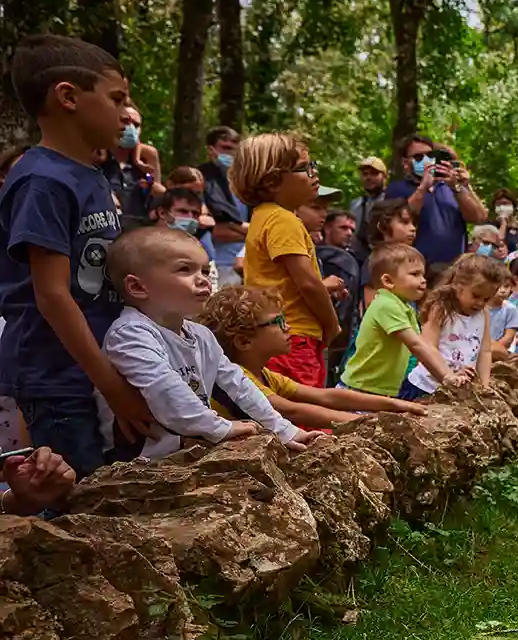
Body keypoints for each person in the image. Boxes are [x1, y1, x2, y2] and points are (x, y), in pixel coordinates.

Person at [0, 35, 154, 475]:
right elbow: (52, 296)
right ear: (67, 96)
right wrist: (110, 383)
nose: (127, 113)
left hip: (92, 370)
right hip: (56, 378)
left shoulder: (89, 175)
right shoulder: (42, 181)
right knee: (72, 500)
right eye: (117, 98)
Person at [100, 226, 313, 459]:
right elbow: (164, 388)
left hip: (186, 454)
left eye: (203, 269)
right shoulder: (130, 333)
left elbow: (238, 386)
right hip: (137, 463)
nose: (203, 280)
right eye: (185, 269)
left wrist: (285, 431)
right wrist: (219, 428)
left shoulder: (200, 334)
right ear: (138, 287)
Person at [199, 285, 425, 429]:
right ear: (244, 341)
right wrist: (371, 423)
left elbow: (326, 396)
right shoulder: (239, 377)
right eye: (277, 322)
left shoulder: (264, 374)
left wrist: (396, 406)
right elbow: (290, 410)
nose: (288, 327)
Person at [234, 133, 340, 387]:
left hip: (274, 333)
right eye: (304, 168)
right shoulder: (283, 220)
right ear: (272, 181)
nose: (315, 174)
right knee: (307, 416)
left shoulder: (262, 217)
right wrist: (332, 325)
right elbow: (309, 284)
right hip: (295, 338)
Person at [342, 243, 467, 397]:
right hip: (360, 390)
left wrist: (450, 370)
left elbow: (423, 345)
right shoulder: (386, 305)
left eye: (423, 274)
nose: (423, 280)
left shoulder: (404, 307)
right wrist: (447, 377)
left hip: (380, 391)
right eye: (415, 274)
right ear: (388, 281)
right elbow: (416, 345)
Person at [407, 253, 505, 399]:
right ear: (458, 286)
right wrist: (449, 375)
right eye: (476, 296)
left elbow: (484, 351)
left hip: (457, 388)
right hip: (426, 386)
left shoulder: (483, 315)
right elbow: (428, 347)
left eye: (486, 299)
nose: (480, 303)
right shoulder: (441, 309)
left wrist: (485, 386)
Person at [384, 135, 487, 273]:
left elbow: (479, 217)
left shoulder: (449, 187)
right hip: (416, 271)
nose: (426, 160)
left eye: (429, 155)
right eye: (419, 157)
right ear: (406, 163)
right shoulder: (397, 189)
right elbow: (404, 216)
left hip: (454, 271)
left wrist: (458, 187)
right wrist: (424, 186)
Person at [199, 126, 248, 288]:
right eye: (224, 148)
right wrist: (251, 232)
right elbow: (212, 230)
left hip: (246, 266)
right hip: (214, 265)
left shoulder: (245, 183)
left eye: (233, 149)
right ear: (211, 150)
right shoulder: (201, 179)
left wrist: (231, 226)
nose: (229, 154)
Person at [316, 209, 362, 383]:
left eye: (352, 229)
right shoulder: (336, 259)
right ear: (327, 227)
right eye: (343, 227)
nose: (349, 233)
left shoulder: (352, 258)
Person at [103, 104, 161, 223]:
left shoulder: (144, 163)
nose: (131, 128)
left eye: (136, 125)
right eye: (126, 122)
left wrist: (150, 179)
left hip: (139, 231)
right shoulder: (98, 158)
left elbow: (153, 184)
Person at [487, 279, 518, 356]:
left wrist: (493, 349)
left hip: (502, 350)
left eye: (506, 287)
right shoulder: (479, 308)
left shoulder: (511, 310)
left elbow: (508, 339)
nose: (503, 290)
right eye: (498, 287)